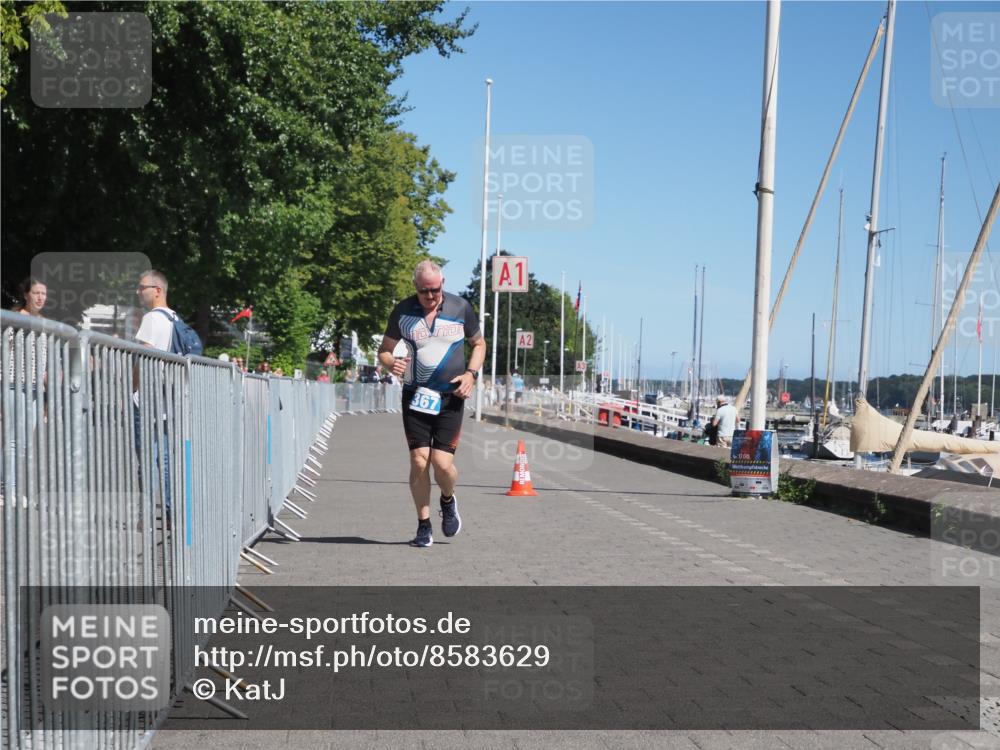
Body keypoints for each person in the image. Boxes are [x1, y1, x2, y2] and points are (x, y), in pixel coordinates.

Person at [378, 260, 486, 548]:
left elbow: (479, 344)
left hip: (451, 397)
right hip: (416, 395)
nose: (430, 296)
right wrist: (392, 364)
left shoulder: (460, 308)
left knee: (441, 463)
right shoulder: (403, 311)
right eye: (424, 291)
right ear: (416, 287)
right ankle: (423, 525)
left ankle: (448, 501)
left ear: (443, 284)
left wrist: (471, 375)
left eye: (435, 290)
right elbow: (385, 351)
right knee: (418, 460)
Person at [133, 270, 176, 529]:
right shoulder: (174, 318)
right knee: (165, 459)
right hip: (167, 399)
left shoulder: (151, 319)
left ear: (157, 290)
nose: (139, 292)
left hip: (147, 397)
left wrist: (132, 387)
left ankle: (146, 515)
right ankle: (170, 513)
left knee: (146, 459)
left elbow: (142, 356)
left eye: (142, 288)